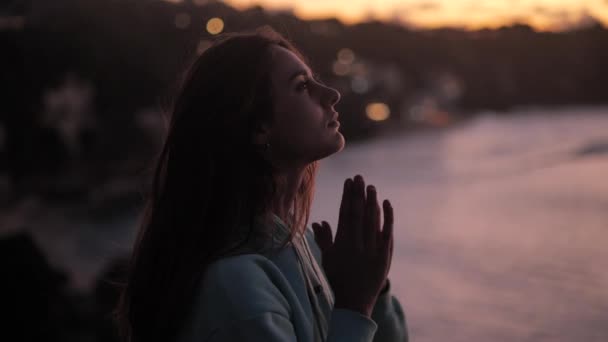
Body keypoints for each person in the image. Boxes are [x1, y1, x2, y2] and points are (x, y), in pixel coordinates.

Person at [116, 26, 408, 342]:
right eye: (302, 86)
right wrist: (354, 304)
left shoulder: (303, 243)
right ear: (258, 127)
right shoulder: (235, 287)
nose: (332, 94)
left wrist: (373, 289)